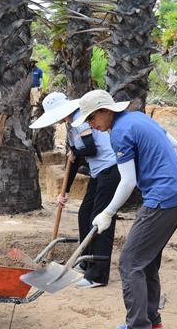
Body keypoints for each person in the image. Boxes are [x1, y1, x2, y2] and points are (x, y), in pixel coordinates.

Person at [73, 90, 177, 329]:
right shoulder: (137, 119)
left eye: (92, 118)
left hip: (163, 199)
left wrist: (107, 212)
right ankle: (150, 320)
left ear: (106, 110)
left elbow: (128, 181)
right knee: (144, 260)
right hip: (175, 195)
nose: (91, 125)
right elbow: (173, 143)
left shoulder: (120, 133)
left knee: (129, 262)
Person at [31, 92, 120, 288]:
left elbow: (90, 149)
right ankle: (86, 261)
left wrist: (74, 152)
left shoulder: (81, 118)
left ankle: (98, 275)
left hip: (111, 170)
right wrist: (66, 191)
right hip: (99, 173)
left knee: (100, 221)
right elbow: (75, 160)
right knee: (84, 214)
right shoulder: (71, 124)